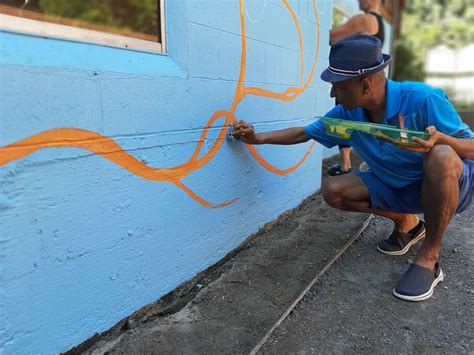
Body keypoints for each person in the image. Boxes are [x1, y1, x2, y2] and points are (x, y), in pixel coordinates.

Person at [232, 35, 474, 302]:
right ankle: (408, 223)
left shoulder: (423, 99)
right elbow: (304, 133)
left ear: (365, 84)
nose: (332, 93)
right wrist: (257, 138)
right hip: (399, 187)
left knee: (440, 155)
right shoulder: (347, 115)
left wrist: (441, 140)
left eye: (338, 86)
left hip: (448, 184)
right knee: (334, 189)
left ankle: (429, 257)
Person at [328, 0, 385, 176]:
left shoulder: (364, 20)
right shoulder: (379, 23)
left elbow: (331, 37)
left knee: (344, 120)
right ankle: (374, 164)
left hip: (353, 82)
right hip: (368, 82)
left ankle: (346, 165)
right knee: (362, 121)